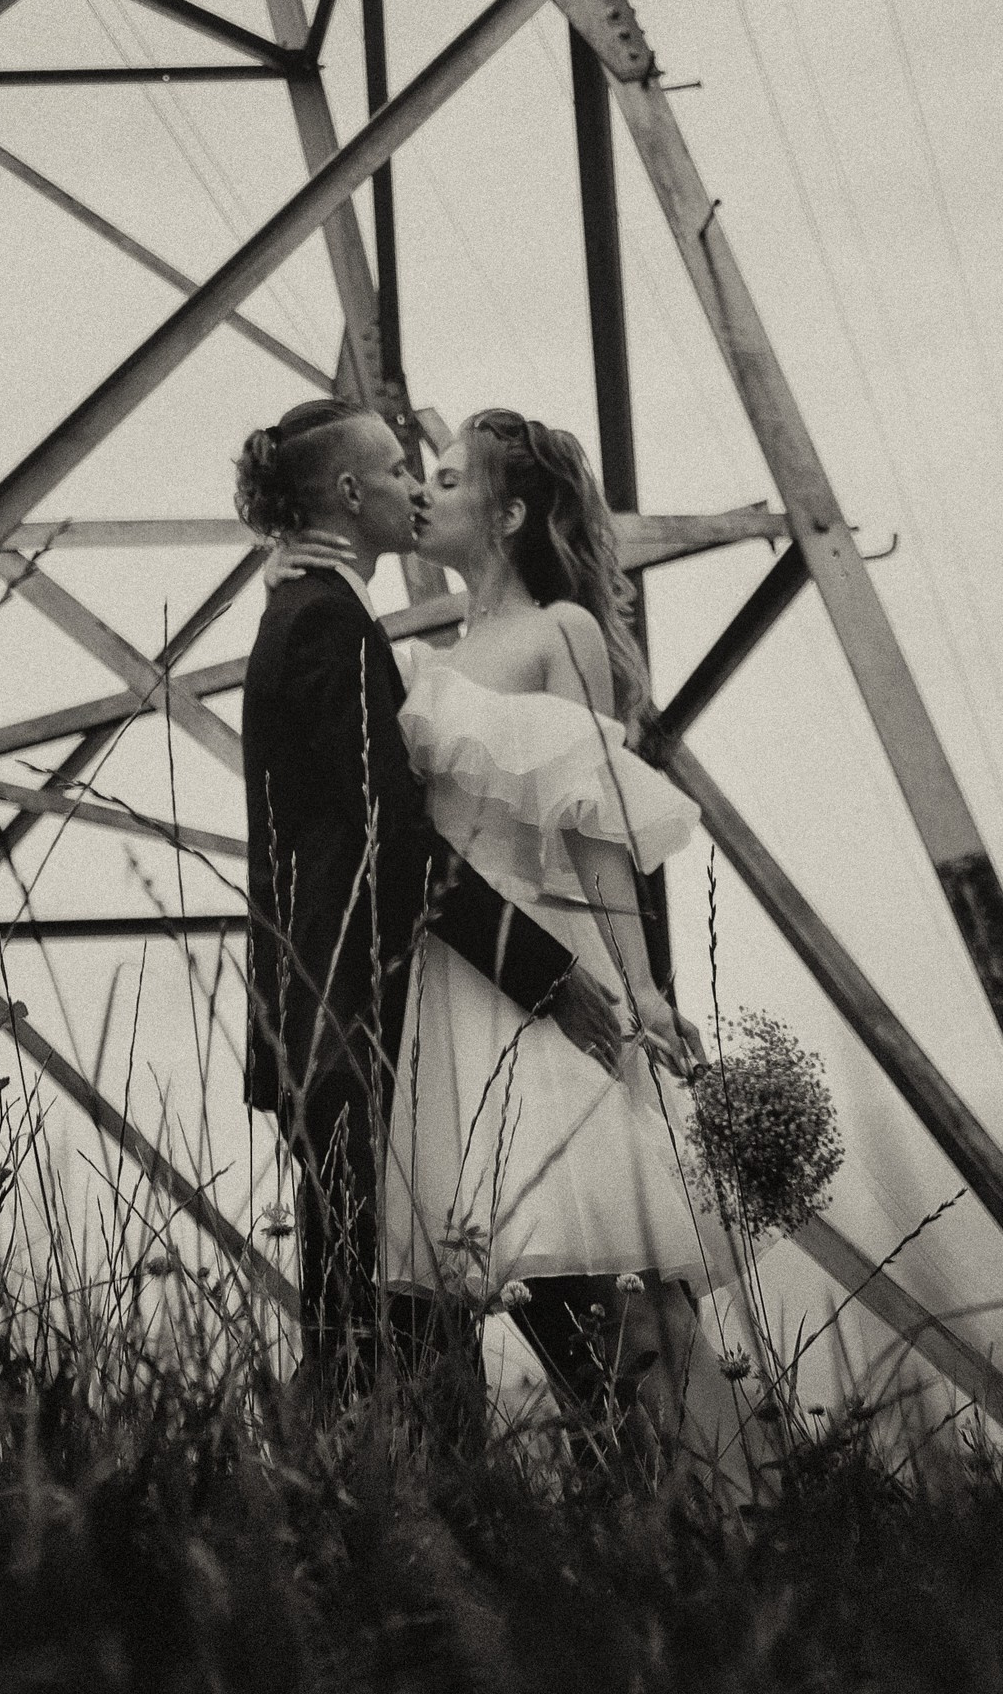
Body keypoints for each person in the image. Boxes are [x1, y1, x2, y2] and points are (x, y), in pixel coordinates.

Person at [237, 396, 626, 1403]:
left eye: (438, 475)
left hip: (361, 1017)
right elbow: (393, 841)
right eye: (402, 471)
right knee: (373, 1337)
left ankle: (421, 1520)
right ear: (350, 491)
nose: (416, 486)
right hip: (346, 1018)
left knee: (399, 1329)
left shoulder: (322, 614)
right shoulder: (321, 621)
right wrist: (543, 972)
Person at [385, 407, 717, 1460]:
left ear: (511, 511)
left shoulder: (556, 633)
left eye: (447, 477)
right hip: (442, 991)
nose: (423, 490)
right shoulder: (427, 656)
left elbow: (596, 826)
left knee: (615, 1293)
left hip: (535, 980)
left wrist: (643, 987)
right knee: (464, 1273)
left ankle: (713, 1492)